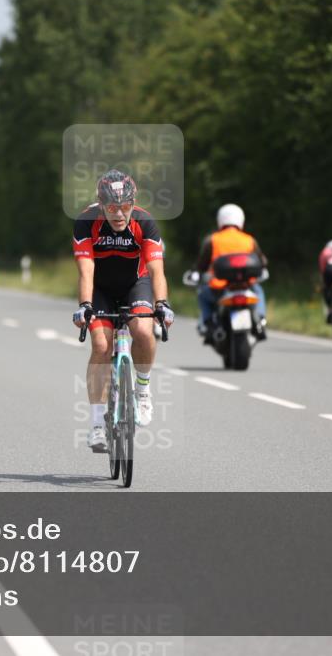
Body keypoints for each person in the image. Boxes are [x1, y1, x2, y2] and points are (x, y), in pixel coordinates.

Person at [71, 169, 174, 453]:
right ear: (100, 204)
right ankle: (95, 426)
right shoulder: (85, 222)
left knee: (142, 329)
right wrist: (85, 307)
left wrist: (162, 304)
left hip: (135, 284)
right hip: (100, 289)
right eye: (112, 208)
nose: (119, 214)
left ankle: (142, 390)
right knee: (101, 345)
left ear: (134, 203)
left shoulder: (145, 222)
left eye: (125, 207)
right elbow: (86, 270)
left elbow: (156, 271)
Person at [189, 203, 268, 340]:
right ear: (241, 220)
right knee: (259, 290)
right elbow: (262, 262)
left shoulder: (213, 239)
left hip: (220, 287)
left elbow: (202, 264)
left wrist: (196, 272)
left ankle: (209, 324)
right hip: (246, 285)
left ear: (220, 220)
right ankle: (261, 320)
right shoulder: (249, 240)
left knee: (202, 294)